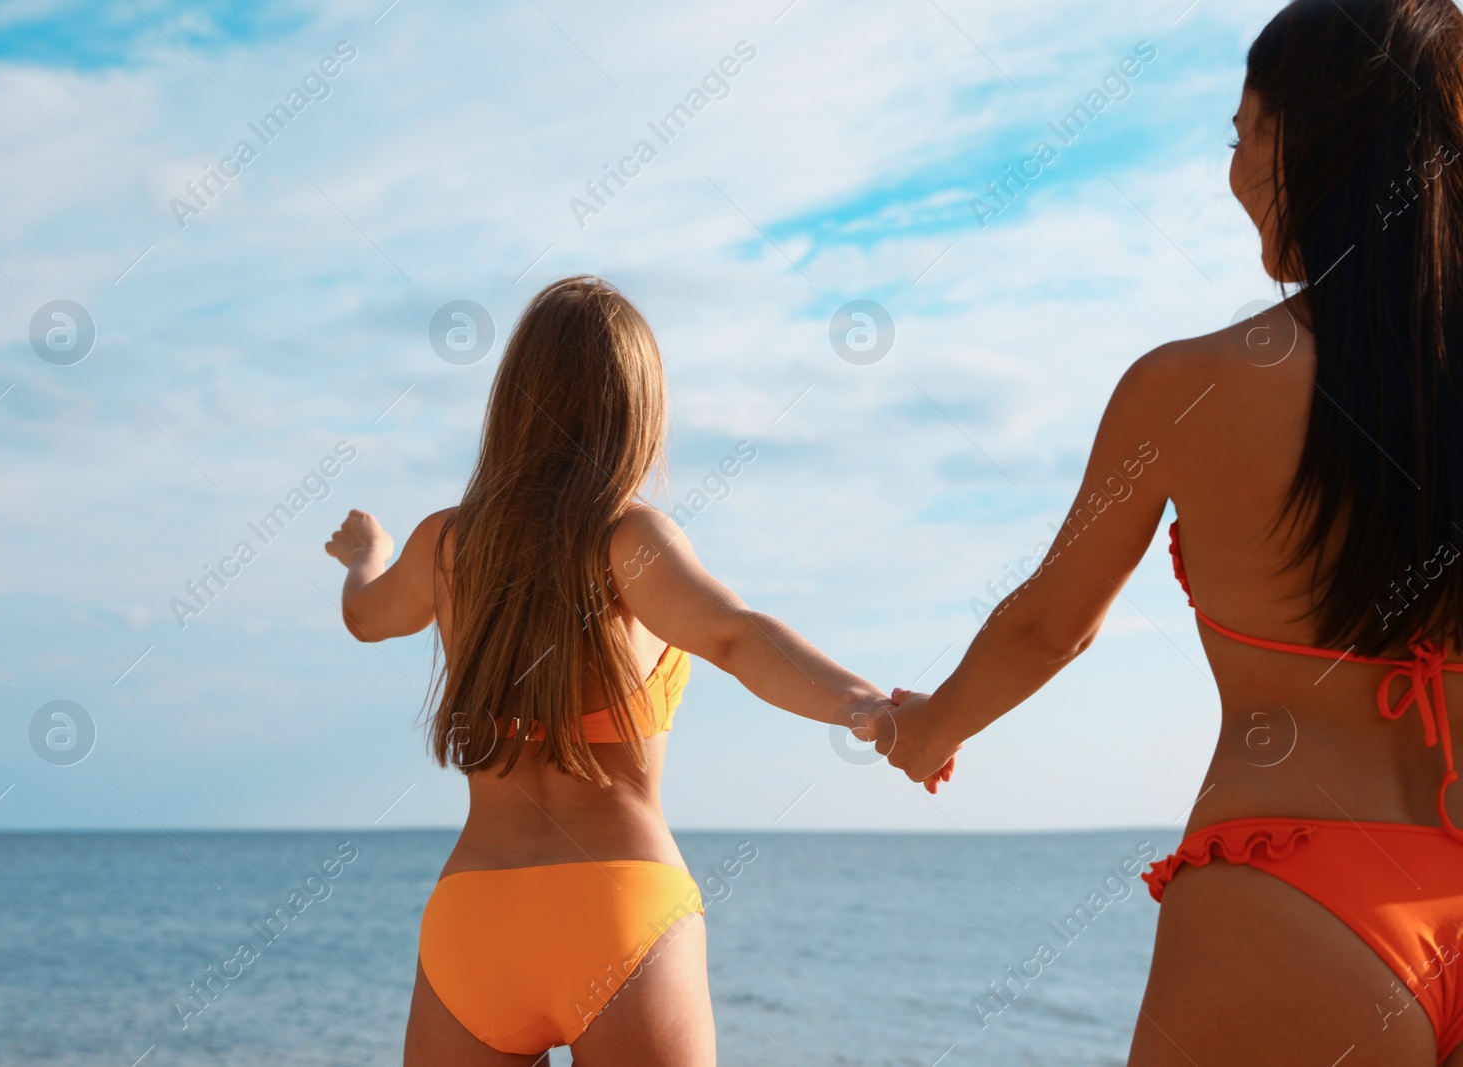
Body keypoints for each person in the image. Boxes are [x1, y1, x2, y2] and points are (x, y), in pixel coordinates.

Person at [877, 1, 1463, 1063]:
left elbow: (1049, 625)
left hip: (1291, 898)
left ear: (1306, 136)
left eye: (1242, 133)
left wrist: (931, 729)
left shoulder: (1187, 387)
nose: (1234, 169)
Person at [325, 276, 904, 1066]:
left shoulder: (446, 544)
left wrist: (369, 556)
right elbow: (736, 637)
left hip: (474, 915)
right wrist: (867, 706)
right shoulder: (627, 539)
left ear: (514, 400)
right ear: (637, 407)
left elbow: (364, 616)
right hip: (616, 908)